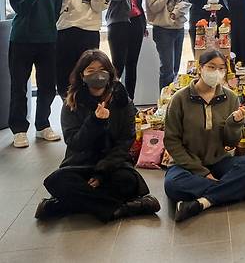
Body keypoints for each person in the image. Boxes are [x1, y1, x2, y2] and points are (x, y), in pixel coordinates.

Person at [36, 50, 160, 222]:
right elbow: (74, 143)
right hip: (80, 164)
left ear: (110, 72)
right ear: (82, 75)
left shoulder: (122, 100)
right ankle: (122, 209)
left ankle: (64, 205)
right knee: (57, 181)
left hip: (112, 165)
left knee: (127, 180)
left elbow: (126, 141)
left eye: (102, 69)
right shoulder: (72, 102)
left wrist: (102, 172)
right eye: (91, 70)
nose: (97, 75)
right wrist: (95, 121)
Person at [164, 50, 245, 222]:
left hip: (219, 160)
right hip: (186, 165)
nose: (216, 72)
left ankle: (202, 202)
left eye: (221, 68)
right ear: (200, 68)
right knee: (173, 185)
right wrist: (201, 171)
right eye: (211, 67)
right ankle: (240, 188)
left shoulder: (230, 98)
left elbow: (230, 142)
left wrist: (234, 124)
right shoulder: (179, 99)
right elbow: (171, 141)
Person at [7, 0, 63, 148]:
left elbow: (56, 10)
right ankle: (19, 130)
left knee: (48, 85)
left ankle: (42, 125)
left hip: (48, 39)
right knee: (19, 85)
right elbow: (18, 9)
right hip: (21, 39)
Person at [56, 0, 108, 98]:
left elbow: (100, 7)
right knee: (64, 73)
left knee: (89, 73)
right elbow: (54, 9)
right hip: (65, 31)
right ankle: (68, 107)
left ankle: (88, 107)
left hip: (89, 32)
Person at [103, 0, 147, 100]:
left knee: (132, 64)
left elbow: (138, 1)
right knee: (117, 65)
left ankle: (130, 102)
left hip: (136, 22)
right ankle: (111, 100)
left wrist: (144, 22)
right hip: (118, 23)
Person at [144, 0, 190, 90]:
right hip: (163, 30)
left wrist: (176, 12)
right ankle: (163, 103)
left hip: (179, 28)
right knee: (167, 69)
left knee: (176, 69)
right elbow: (154, 7)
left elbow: (184, 2)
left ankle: (172, 101)